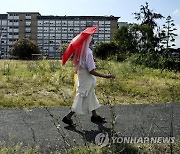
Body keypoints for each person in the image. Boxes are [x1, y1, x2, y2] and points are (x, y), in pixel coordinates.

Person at [62, 35, 115, 126]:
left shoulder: (79, 51)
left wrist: (92, 62)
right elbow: (91, 71)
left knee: (90, 96)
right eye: (92, 38)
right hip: (86, 78)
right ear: (89, 41)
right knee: (81, 97)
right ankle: (68, 117)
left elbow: (83, 64)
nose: (93, 40)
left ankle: (94, 116)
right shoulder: (88, 52)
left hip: (82, 77)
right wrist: (106, 76)